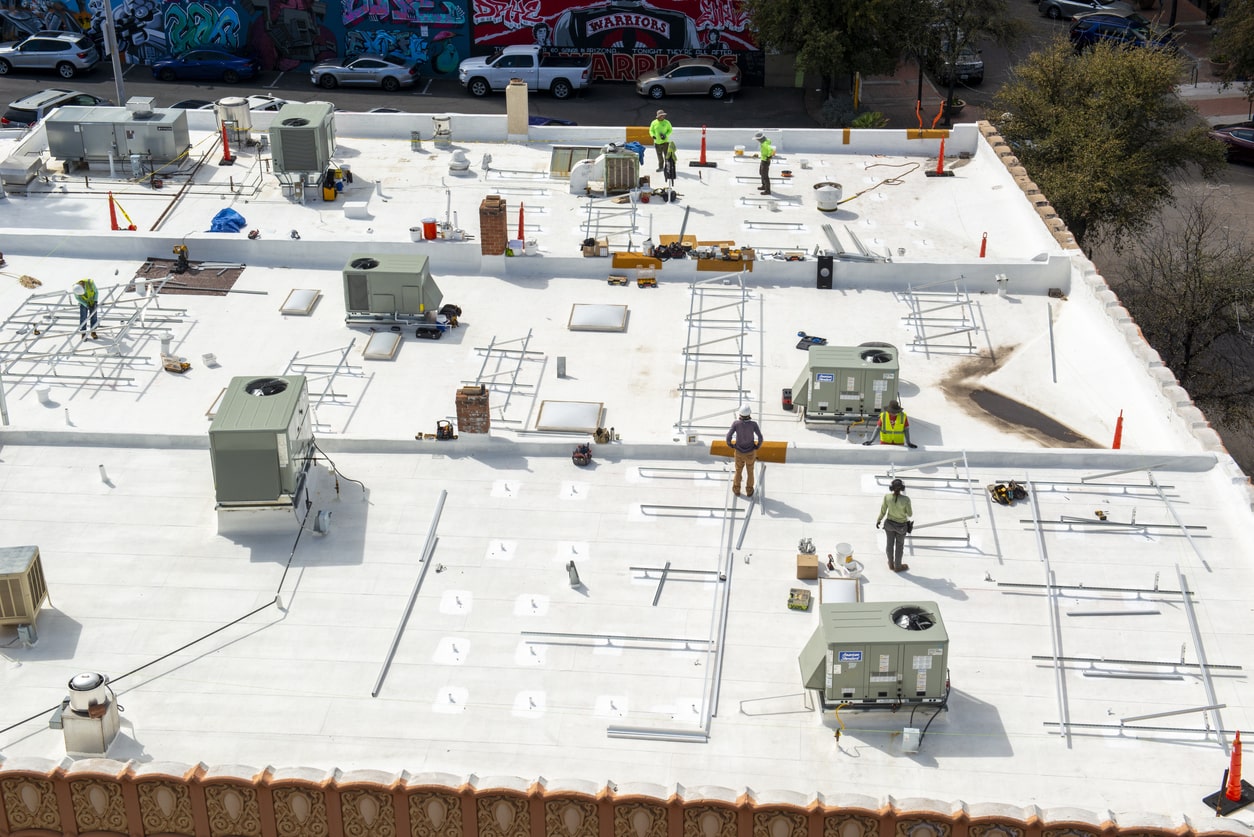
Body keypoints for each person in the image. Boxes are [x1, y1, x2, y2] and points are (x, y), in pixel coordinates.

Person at [725, 403, 763, 497]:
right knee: (750, 471)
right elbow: (760, 438)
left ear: (740, 414)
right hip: (750, 452)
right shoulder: (753, 424)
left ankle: (736, 490)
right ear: (749, 414)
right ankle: (749, 491)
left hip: (738, 452)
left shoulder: (736, 424)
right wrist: (757, 446)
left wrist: (731, 445)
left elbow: (728, 437)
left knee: (738, 471)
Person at [876, 478, 913, 572]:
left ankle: (891, 564)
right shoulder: (906, 499)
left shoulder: (887, 497)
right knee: (899, 546)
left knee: (889, 544)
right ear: (902, 488)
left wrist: (879, 520)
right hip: (901, 527)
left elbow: (883, 511)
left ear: (891, 487)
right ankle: (898, 566)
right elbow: (909, 514)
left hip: (889, 525)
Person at [753, 130, 774, 195]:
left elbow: (771, 149)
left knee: (765, 176)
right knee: (761, 173)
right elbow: (769, 142)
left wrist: (769, 157)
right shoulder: (766, 141)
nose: (757, 140)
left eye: (757, 139)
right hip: (763, 160)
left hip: (765, 161)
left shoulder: (765, 144)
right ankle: (764, 186)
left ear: (760, 139)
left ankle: (767, 191)